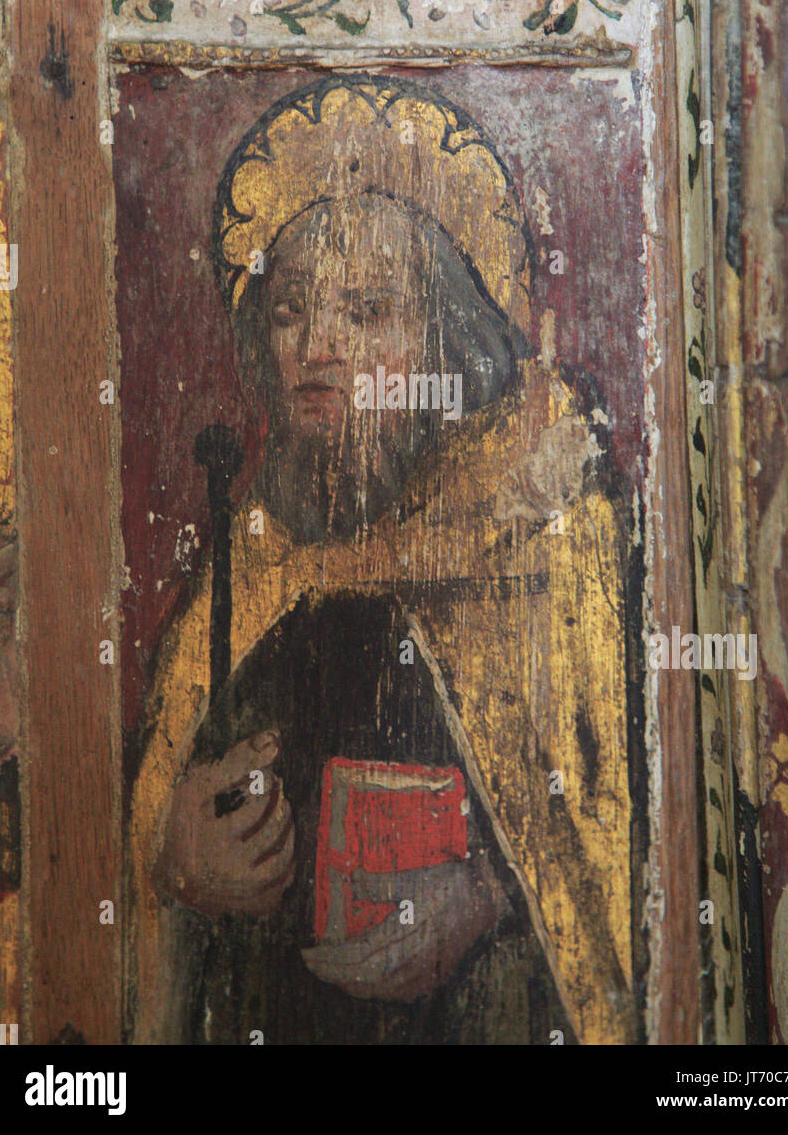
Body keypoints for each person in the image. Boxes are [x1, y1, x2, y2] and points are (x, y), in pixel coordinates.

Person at [129, 76, 635, 1045]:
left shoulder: (543, 525)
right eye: (287, 314)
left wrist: (488, 893)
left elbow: (613, 820)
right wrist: (174, 855)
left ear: (443, 335)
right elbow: (160, 804)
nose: (316, 346)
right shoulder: (255, 554)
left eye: (364, 313)